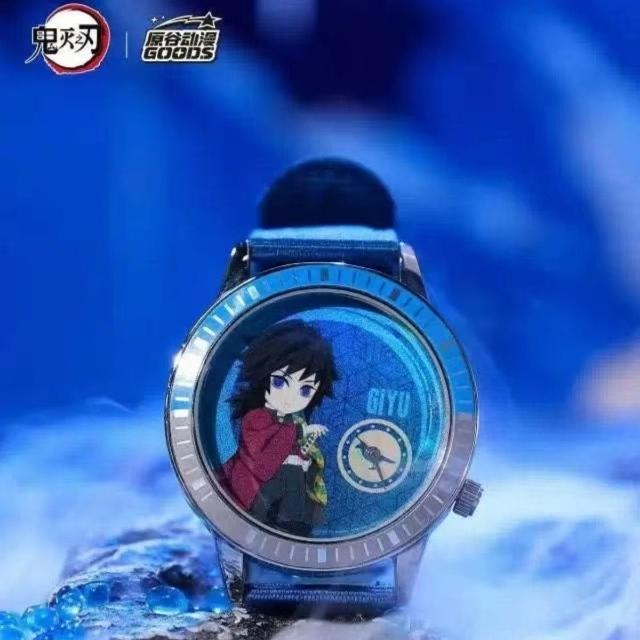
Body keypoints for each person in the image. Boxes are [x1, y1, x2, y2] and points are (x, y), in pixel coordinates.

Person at [221, 319, 338, 537]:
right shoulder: (256, 418)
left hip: (285, 499)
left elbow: (294, 454)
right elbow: (262, 465)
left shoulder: (295, 421)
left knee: (296, 481)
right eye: (280, 383)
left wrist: (305, 452)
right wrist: (300, 433)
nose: (290, 398)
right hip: (255, 496)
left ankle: (296, 527)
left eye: (305, 390)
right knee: (291, 476)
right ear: (264, 378)